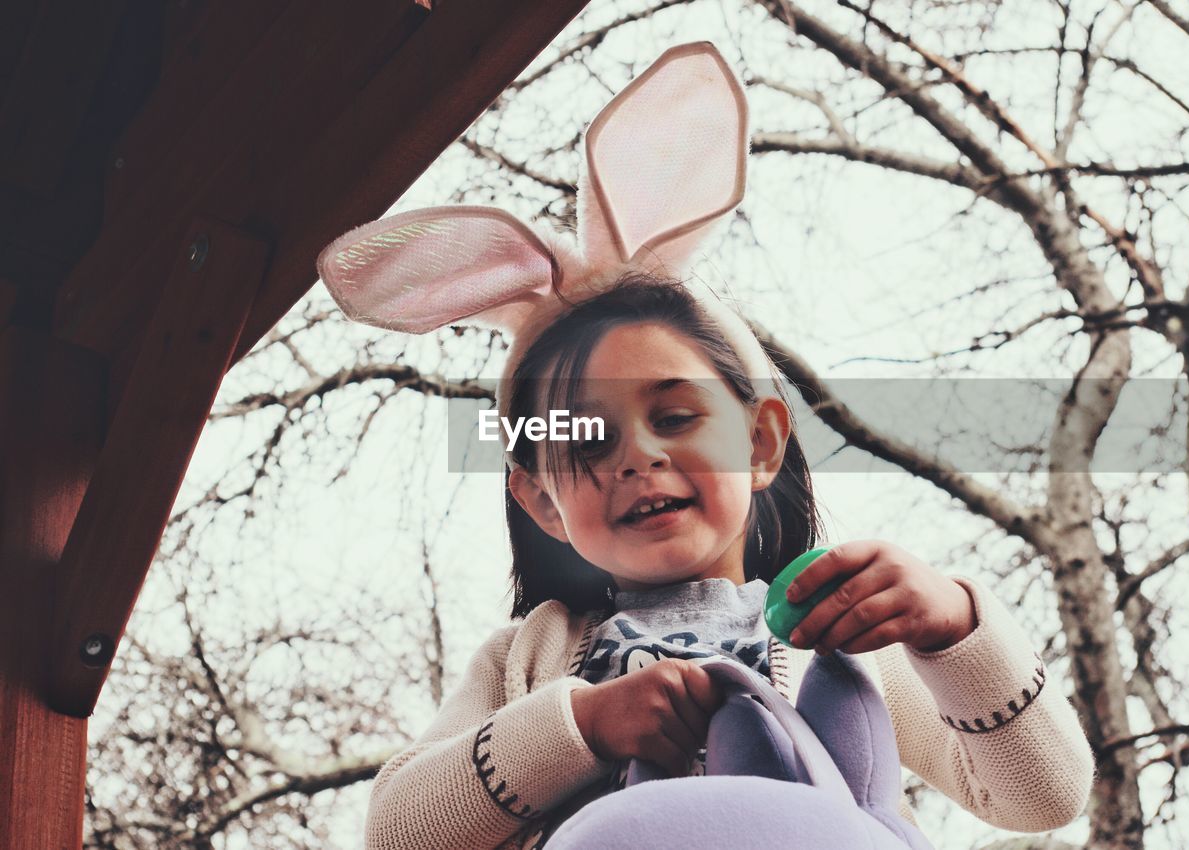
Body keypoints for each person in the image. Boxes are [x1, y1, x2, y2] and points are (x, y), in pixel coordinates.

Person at [314, 42, 1095, 850]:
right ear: (541, 500)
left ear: (761, 441)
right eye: (585, 439)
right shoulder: (528, 659)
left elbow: (1044, 795)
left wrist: (952, 627)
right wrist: (581, 724)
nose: (634, 457)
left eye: (676, 417)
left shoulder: (840, 638)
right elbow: (398, 833)